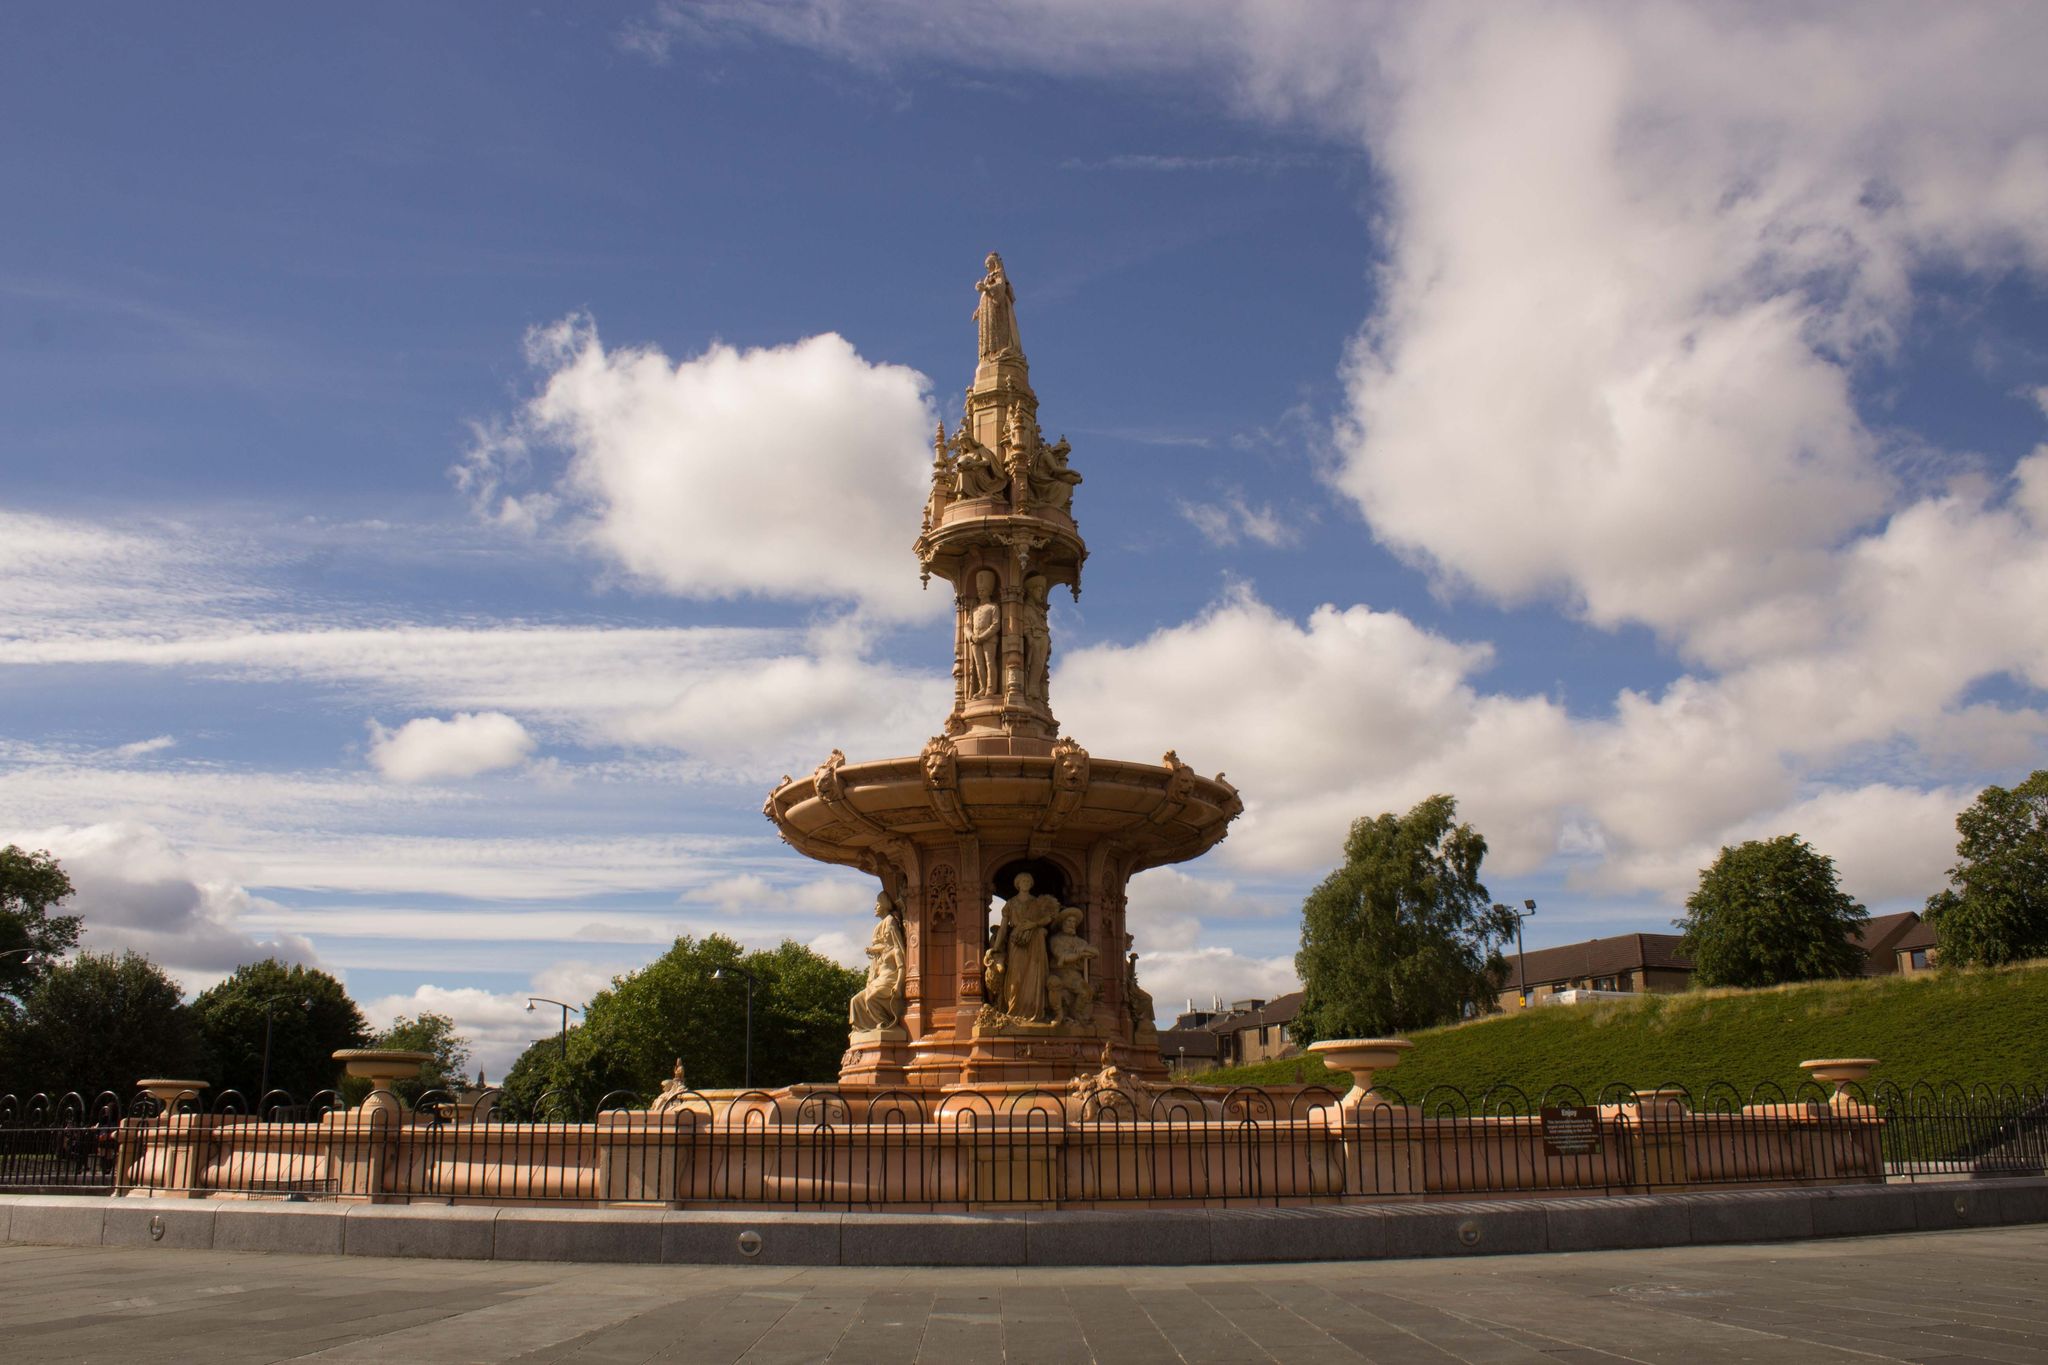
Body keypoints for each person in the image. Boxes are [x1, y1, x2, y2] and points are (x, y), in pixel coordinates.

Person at [848, 892, 905, 1031]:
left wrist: (898, 985)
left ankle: (884, 1023)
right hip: (879, 981)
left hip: (889, 980)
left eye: (878, 904)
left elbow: (902, 967)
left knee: (871, 998)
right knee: (855, 1000)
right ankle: (861, 1028)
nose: (875, 907)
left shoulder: (895, 950)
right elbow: (881, 948)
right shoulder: (881, 954)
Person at [1046, 905, 1097, 1025]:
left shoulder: (1080, 941)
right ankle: (1058, 1014)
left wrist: (1084, 948)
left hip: (1074, 976)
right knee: (1053, 983)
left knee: (1086, 992)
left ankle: (1077, 1013)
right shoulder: (1056, 940)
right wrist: (1080, 955)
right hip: (1060, 973)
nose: (1071, 924)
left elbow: (1095, 952)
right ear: (1062, 923)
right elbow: (1063, 957)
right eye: (1069, 921)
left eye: (1074, 922)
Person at [974, 251, 1021, 359]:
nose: (986, 267)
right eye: (985, 265)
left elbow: (1000, 287)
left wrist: (985, 288)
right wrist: (978, 310)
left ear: (993, 263)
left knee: (996, 328)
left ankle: (997, 352)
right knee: (988, 329)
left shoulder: (999, 273)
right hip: (987, 306)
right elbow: (984, 295)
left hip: (996, 305)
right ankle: (989, 354)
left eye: (988, 264)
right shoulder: (987, 278)